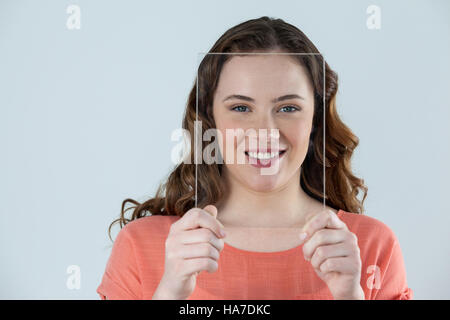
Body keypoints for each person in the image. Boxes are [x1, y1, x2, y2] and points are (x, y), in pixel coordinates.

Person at [96, 16, 413, 300]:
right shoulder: (141, 246)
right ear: (210, 118)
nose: (265, 131)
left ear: (316, 119)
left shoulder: (371, 246)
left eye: (288, 108)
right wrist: (169, 294)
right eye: (240, 108)